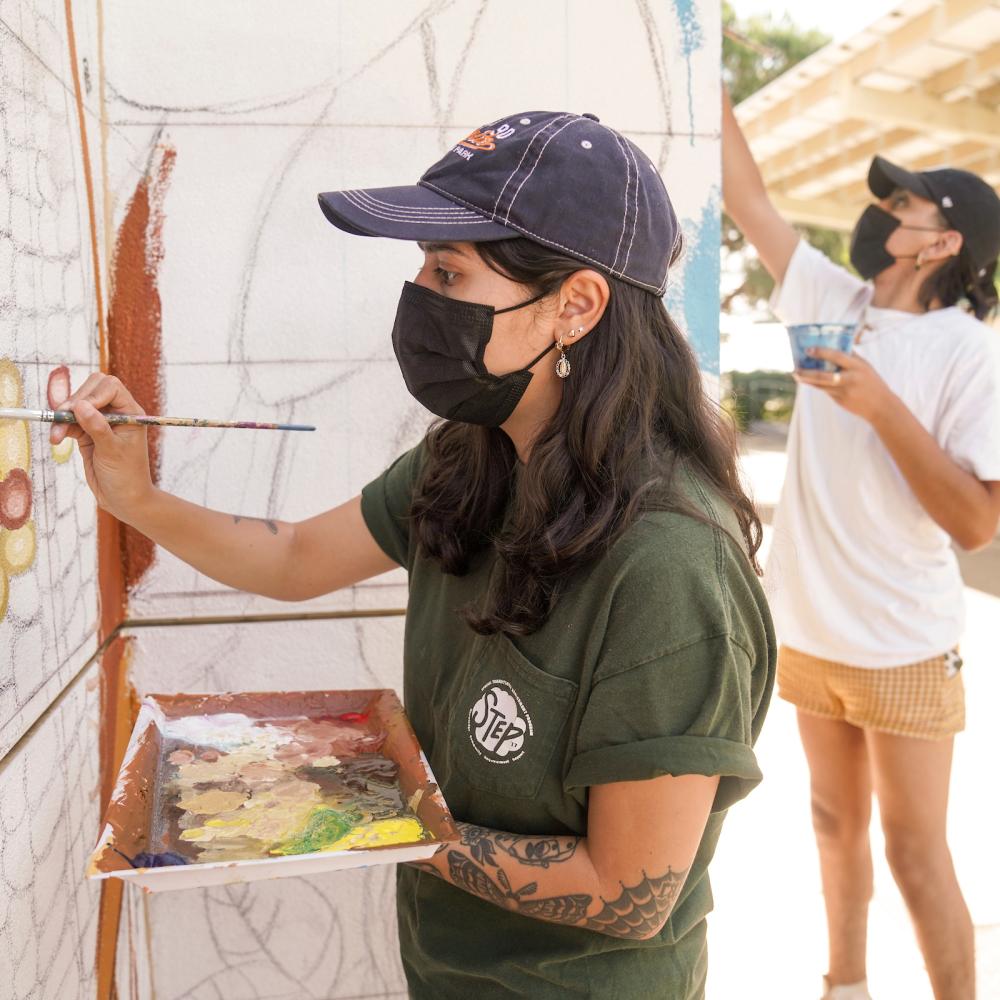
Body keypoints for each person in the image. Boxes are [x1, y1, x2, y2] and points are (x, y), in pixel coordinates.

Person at [54, 110, 775, 999]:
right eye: (422, 268)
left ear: (576, 306)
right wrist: (135, 497)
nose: (420, 298)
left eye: (449, 271)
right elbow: (296, 560)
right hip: (443, 971)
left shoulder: (668, 565)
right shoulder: (470, 454)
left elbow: (628, 894)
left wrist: (363, 818)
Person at [722, 87, 1000, 1000]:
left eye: (901, 206)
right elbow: (747, 196)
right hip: (808, 628)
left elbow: (976, 523)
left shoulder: (971, 352)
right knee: (832, 825)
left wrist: (879, 404)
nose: (880, 216)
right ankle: (845, 987)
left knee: (916, 853)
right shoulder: (830, 296)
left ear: (942, 243)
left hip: (902, 640)